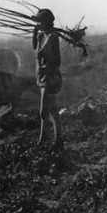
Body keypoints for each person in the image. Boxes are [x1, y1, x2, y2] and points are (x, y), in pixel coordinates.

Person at [32, 9, 63, 149]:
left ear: (46, 22)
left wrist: (45, 58)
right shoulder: (44, 36)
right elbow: (37, 50)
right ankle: (56, 140)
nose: (38, 24)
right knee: (52, 110)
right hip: (45, 77)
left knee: (44, 111)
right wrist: (36, 36)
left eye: (39, 21)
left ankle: (45, 139)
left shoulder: (52, 36)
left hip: (51, 77)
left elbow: (56, 59)